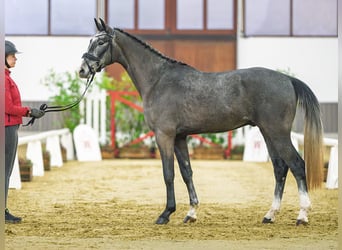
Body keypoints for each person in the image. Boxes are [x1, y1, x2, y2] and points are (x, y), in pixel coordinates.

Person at [5, 40, 45, 223]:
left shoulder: (6, 77)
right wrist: (28, 111)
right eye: (12, 55)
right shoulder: (3, 79)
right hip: (6, 128)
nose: (15, 59)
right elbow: (7, 106)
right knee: (4, 171)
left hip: (9, 126)